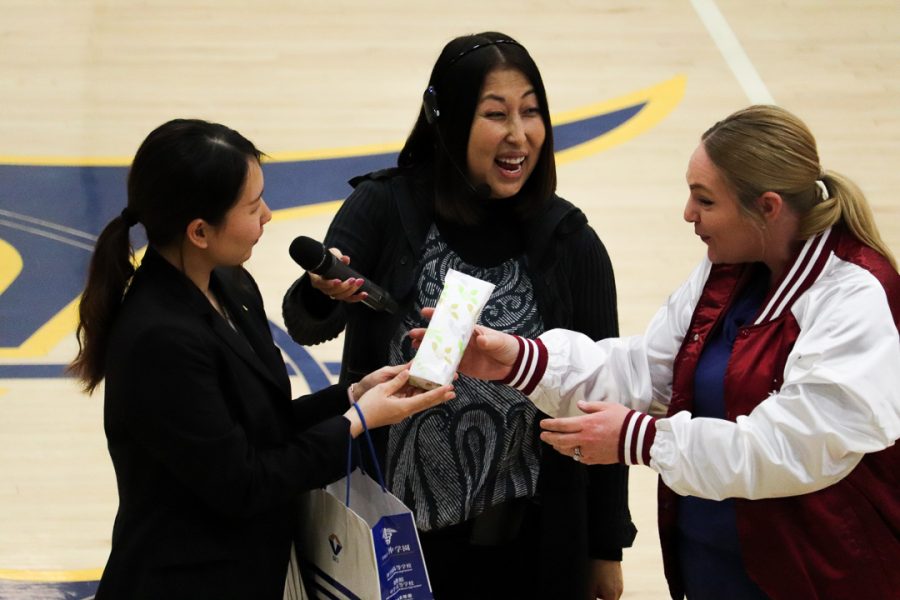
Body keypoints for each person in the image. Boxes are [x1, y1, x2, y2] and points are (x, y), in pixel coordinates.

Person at [420, 104, 900, 599]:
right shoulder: (730, 267)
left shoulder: (855, 297)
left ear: (769, 208)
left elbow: (794, 448)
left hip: (819, 579)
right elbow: (649, 374)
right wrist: (523, 360)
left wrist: (642, 440)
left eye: (705, 200)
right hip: (714, 570)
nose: (688, 214)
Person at [282, 31, 635, 599]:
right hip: (395, 552)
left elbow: (605, 393)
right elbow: (308, 321)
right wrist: (324, 290)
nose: (518, 135)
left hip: (533, 548)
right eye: (495, 114)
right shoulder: (384, 207)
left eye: (531, 112)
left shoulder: (570, 242)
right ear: (446, 121)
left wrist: (605, 548)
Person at [68, 119, 454, 600]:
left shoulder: (231, 284)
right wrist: (355, 422)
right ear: (200, 231)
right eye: (253, 207)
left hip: (253, 571)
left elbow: (264, 426)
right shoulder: (159, 338)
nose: (268, 215)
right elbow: (243, 482)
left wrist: (353, 394)